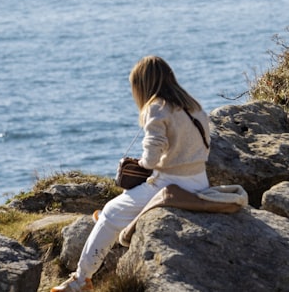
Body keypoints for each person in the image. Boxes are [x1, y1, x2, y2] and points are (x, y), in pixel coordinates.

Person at [51, 55, 211, 292]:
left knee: (110, 215)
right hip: (200, 181)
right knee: (114, 209)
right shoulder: (193, 105)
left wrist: (144, 163)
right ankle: (112, 221)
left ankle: (81, 279)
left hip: (170, 185)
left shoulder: (157, 107)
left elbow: (153, 151)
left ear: (143, 84)